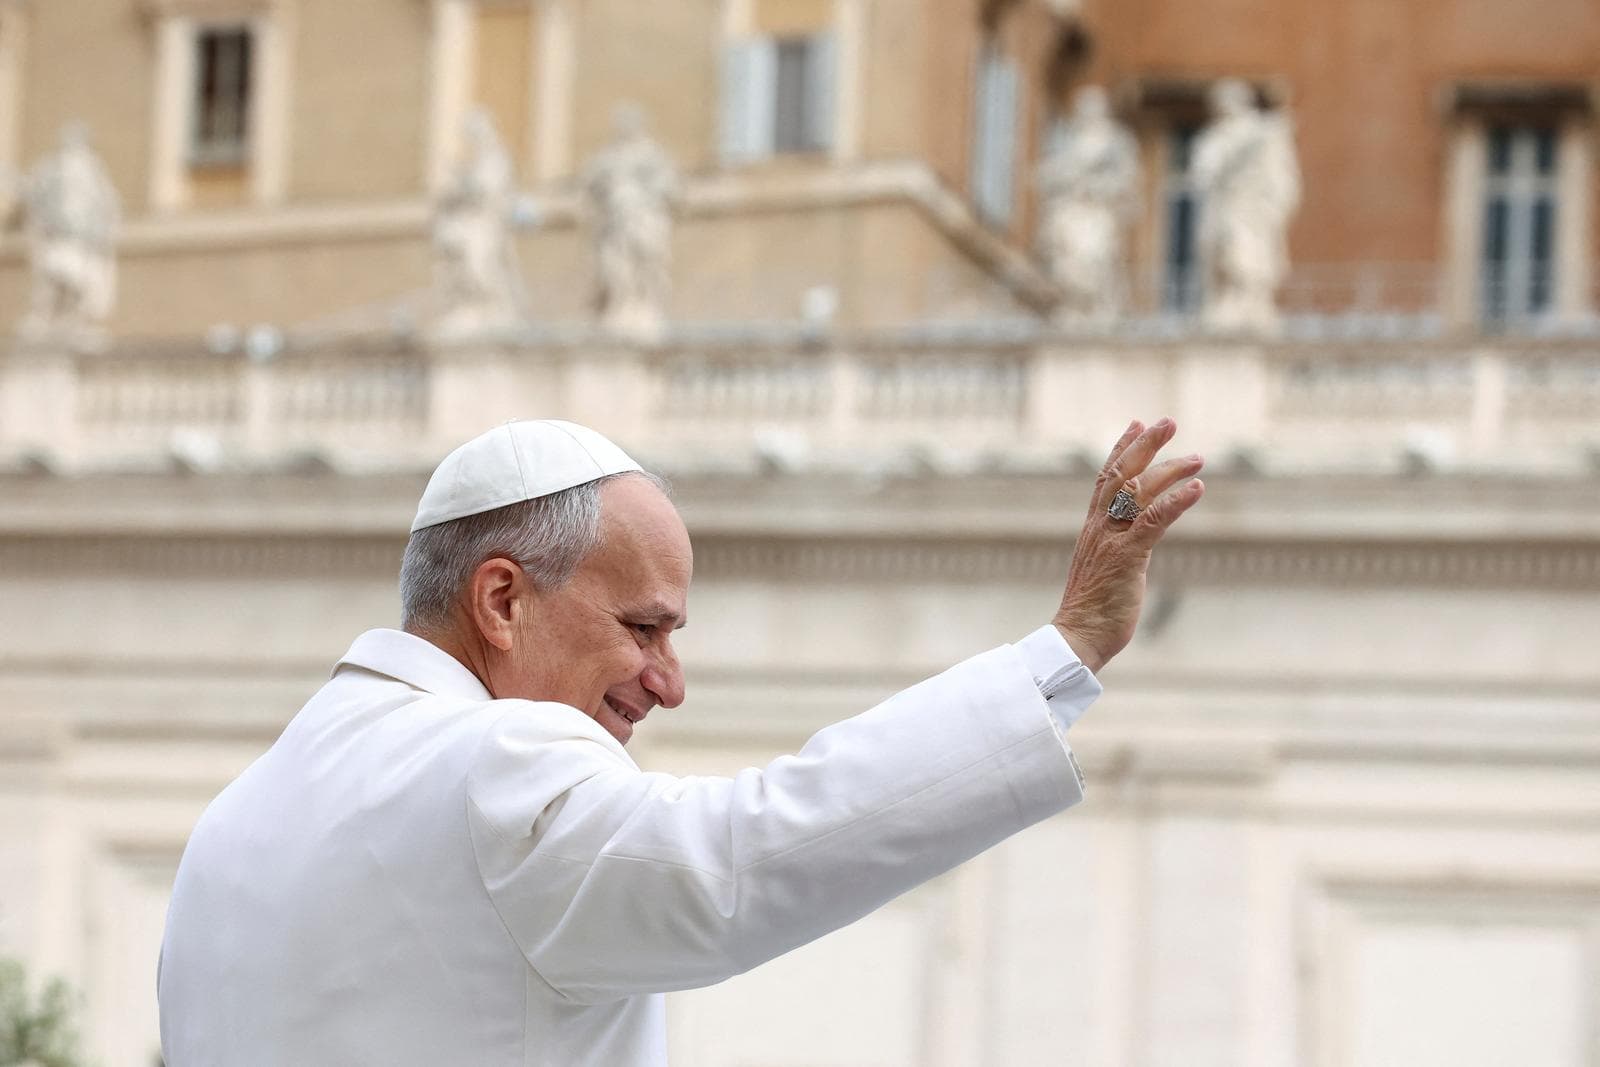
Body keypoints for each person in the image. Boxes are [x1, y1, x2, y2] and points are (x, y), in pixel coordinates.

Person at [158, 417, 1205, 1065]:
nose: (667, 681)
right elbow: (744, 853)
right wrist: (1060, 653)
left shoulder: (230, 828)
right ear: (502, 599)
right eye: (643, 626)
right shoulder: (493, 762)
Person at [1191, 78, 1301, 334]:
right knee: (1223, 247)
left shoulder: (1263, 133)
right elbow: (1202, 169)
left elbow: (1281, 176)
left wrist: (1276, 206)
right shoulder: (1215, 137)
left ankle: (1248, 299)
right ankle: (1230, 298)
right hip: (1226, 204)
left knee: (1244, 250)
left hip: (1251, 207)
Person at [1036, 85, 1140, 325]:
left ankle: (1098, 311)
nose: (1087, 113)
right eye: (1083, 108)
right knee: (1068, 266)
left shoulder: (1116, 141)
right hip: (1072, 212)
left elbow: (1125, 178)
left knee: (1095, 258)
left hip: (1098, 212)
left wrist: (1098, 187)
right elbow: (1055, 173)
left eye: (1092, 108)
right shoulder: (1071, 141)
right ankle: (1075, 310)